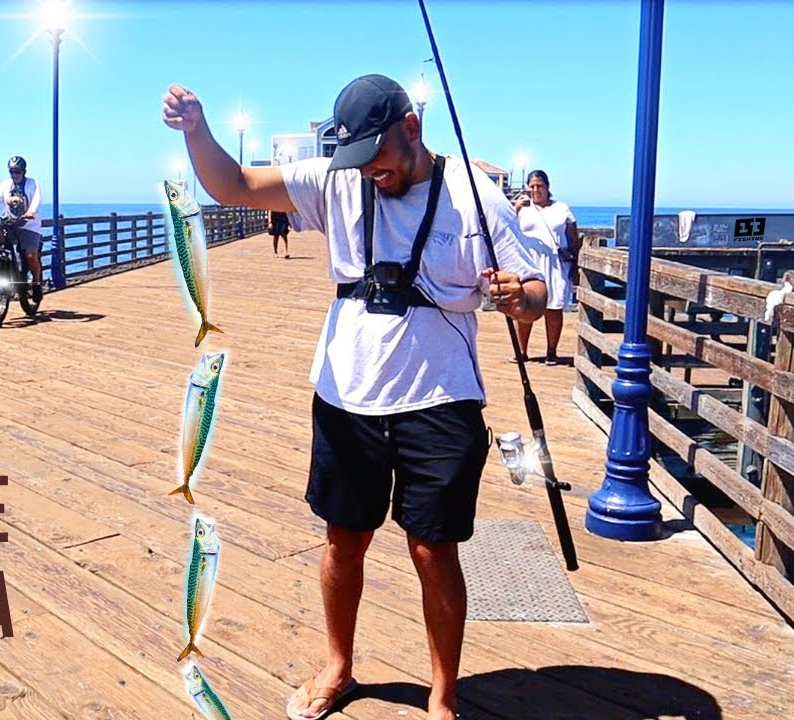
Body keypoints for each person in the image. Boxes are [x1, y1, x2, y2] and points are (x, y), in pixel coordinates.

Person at [162, 75, 546, 720]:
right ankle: (339, 665)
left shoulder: (475, 196)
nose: (371, 170)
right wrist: (197, 130)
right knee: (345, 538)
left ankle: (443, 697)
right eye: (359, 158)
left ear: (412, 128)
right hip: (346, 394)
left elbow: (535, 291)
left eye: (380, 156)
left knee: (433, 548)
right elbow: (233, 186)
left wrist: (518, 298)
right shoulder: (339, 178)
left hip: (442, 397)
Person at [512, 170, 580, 365]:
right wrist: (516, 207)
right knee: (525, 307)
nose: (536, 190)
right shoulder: (523, 209)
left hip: (556, 263)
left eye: (539, 186)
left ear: (547, 187)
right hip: (530, 262)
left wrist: (576, 264)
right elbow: (506, 228)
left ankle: (552, 352)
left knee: (554, 308)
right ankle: (522, 351)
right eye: (532, 186)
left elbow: (573, 238)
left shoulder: (561, 208)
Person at [0, 156, 45, 300]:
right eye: (12, 171)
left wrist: (31, 212)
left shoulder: (32, 184)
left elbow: (37, 199)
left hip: (29, 225)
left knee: (31, 255)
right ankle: (1, 265)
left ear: (24, 171)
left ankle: (37, 284)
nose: (15, 175)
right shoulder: (5, 185)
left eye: (17, 171)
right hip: (9, 221)